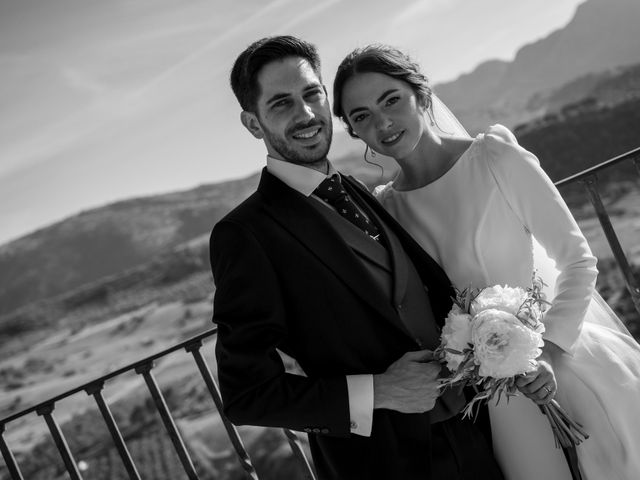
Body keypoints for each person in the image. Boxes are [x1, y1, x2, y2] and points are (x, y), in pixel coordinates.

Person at [332, 44, 640, 480]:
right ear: (355, 132)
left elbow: (578, 259)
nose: (381, 122)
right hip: (496, 400)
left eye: (391, 99)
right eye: (361, 115)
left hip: (565, 363)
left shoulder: (495, 157)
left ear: (421, 94)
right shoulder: (387, 211)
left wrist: (547, 351)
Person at [210, 35, 504, 479]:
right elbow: (246, 393)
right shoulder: (246, 233)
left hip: (476, 427)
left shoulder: (358, 190)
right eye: (282, 104)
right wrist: (379, 392)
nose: (306, 114)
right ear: (253, 124)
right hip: (383, 461)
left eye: (312, 94)